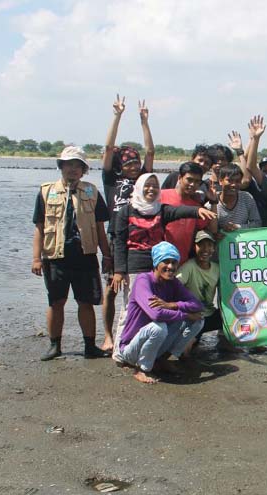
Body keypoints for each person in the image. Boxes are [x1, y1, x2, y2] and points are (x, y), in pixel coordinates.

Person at [111, 173, 217, 351]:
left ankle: (150, 350)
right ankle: (121, 350)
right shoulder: (126, 212)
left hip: (157, 267)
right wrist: (119, 270)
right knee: (130, 310)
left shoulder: (161, 210)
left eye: (154, 186)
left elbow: (178, 211)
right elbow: (120, 242)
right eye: (147, 185)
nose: (151, 189)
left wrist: (197, 210)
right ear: (139, 187)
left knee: (155, 307)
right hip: (135, 266)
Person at [31, 146, 112, 360]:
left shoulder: (92, 192)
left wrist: (107, 256)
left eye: (78, 165)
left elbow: (100, 229)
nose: (73, 169)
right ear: (61, 167)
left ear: (84, 170)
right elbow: (39, 227)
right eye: (69, 164)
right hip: (55, 257)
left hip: (85, 256)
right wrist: (36, 258)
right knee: (56, 302)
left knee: (86, 302)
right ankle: (54, 345)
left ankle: (89, 346)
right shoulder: (46, 191)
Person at [100, 95, 155, 352]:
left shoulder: (144, 179)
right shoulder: (112, 179)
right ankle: (108, 336)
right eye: (129, 163)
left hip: (141, 236)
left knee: (140, 285)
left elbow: (151, 152)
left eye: (136, 162)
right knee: (112, 286)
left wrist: (144, 122)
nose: (133, 167)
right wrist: (117, 116)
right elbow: (109, 149)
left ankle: (137, 327)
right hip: (116, 236)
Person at [114, 242, 205, 384]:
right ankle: (142, 368)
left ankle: (161, 359)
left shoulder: (172, 282)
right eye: (166, 262)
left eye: (174, 263)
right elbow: (155, 314)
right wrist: (185, 314)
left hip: (155, 342)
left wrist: (172, 305)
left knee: (198, 321)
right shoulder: (143, 280)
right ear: (156, 263)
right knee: (159, 327)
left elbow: (197, 305)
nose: (171, 267)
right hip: (131, 348)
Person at [177, 231, 232, 352]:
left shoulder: (217, 268)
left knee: (231, 315)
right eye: (201, 245)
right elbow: (175, 285)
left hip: (208, 314)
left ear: (214, 248)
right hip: (192, 317)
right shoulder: (189, 266)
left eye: (209, 245)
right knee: (185, 353)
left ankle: (227, 342)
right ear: (195, 247)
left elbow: (227, 291)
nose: (205, 249)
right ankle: (188, 340)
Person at [160, 162, 218, 264]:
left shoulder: (197, 206)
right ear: (179, 178)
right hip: (159, 260)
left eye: (197, 182)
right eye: (189, 180)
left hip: (182, 262)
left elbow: (213, 229)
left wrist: (213, 202)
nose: (192, 185)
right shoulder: (161, 196)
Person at [215, 163, 261, 231]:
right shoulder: (213, 202)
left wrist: (237, 227)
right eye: (230, 181)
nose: (234, 184)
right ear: (220, 181)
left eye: (237, 181)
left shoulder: (247, 197)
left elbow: (257, 223)